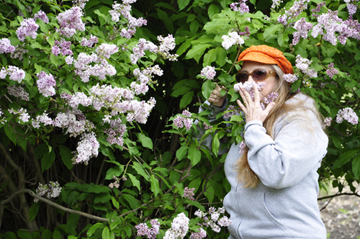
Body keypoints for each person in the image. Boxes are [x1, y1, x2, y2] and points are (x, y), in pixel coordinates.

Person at [201, 45, 328, 239]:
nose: (249, 82)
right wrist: (215, 109)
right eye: (243, 76)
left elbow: (278, 172)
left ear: (279, 79)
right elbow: (209, 147)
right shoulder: (249, 116)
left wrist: (253, 126)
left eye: (259, 74)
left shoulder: (302, 119)